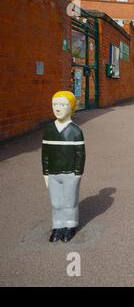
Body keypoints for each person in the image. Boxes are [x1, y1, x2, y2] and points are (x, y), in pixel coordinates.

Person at [42, 91, 86, 243]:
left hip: (70, 174)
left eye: (62, 105)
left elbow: (80, 155)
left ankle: (70, 225)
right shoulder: (49, 130)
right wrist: (45, 173)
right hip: (53, 173)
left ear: (72, 107)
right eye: (55, 104)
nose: (58, 108)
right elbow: (45, 154)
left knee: (70, 201)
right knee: (56, 202)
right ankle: (58, 225)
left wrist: (77, 173)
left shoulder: (75, 132)